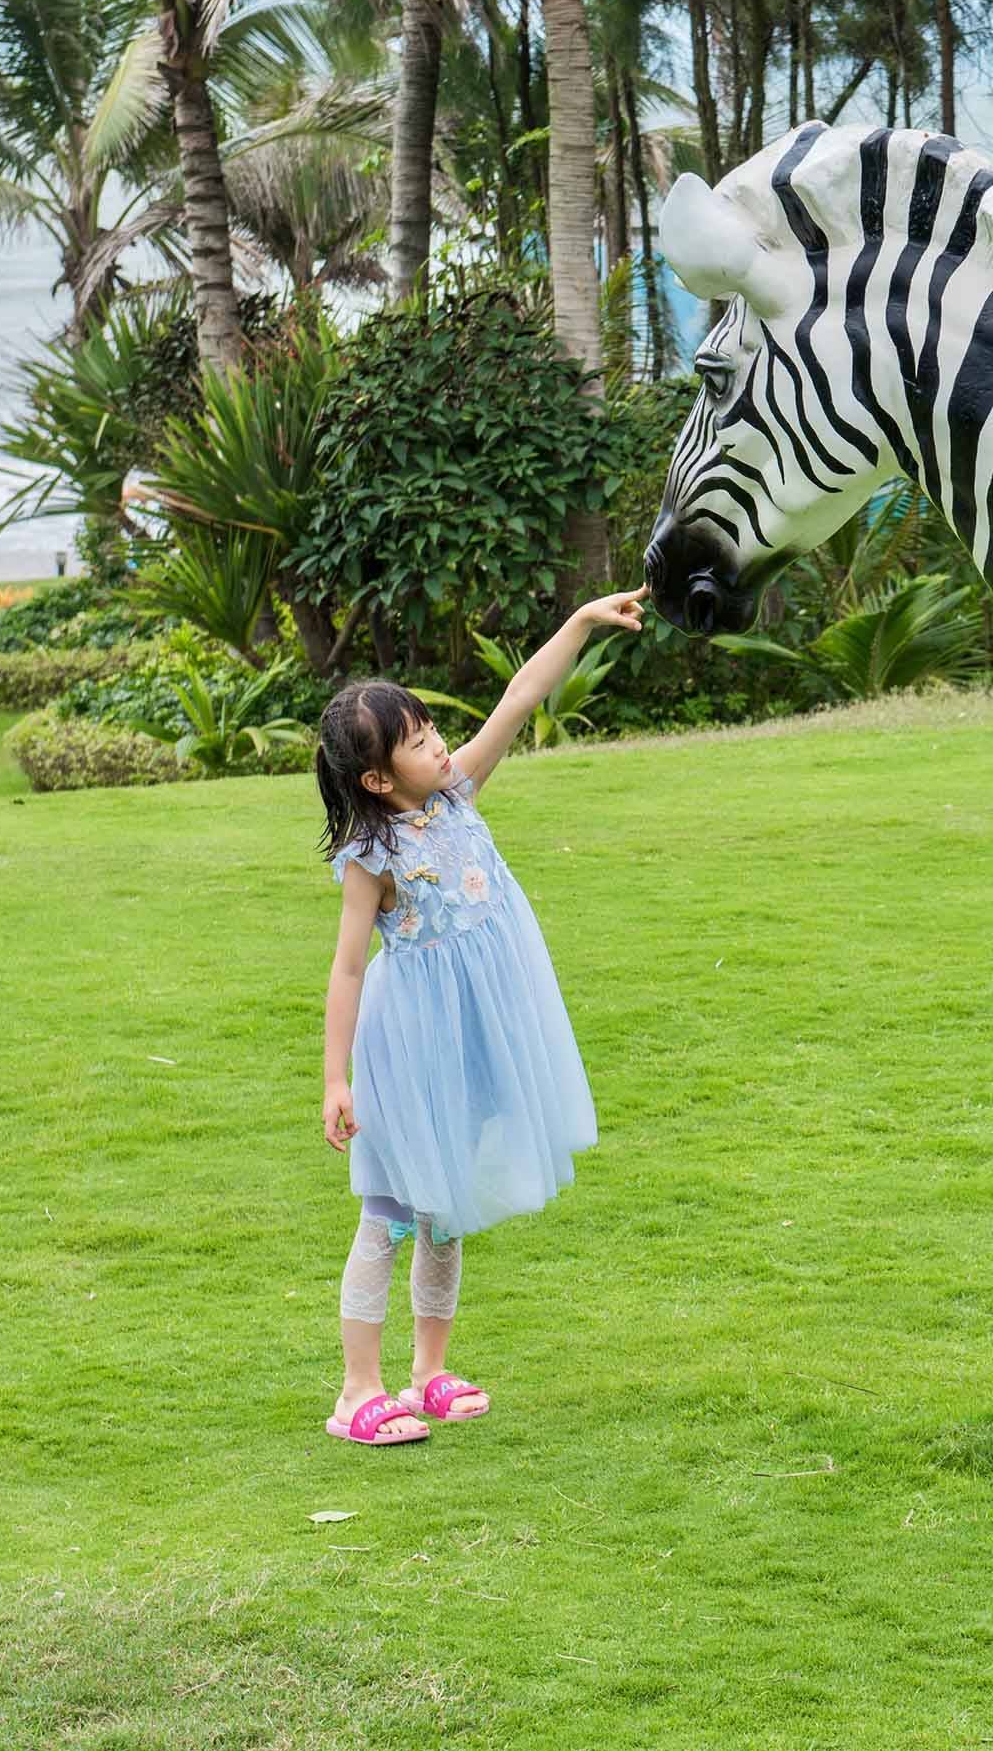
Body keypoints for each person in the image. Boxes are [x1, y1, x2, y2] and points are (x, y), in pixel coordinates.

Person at [309, 589, 647, 1445]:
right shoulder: (372, 857)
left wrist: (578, 623)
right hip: (407, 1047)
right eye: (418, 742)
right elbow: (348, 968)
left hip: (468, 1039)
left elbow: (519, 699)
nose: (439, 744)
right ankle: (357, 1391)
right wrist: (334, 1078)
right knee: (387, 1212)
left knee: (445, 1210)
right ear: (377, 779)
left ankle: (427, 1372)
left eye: (431, 730)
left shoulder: (457, 796)